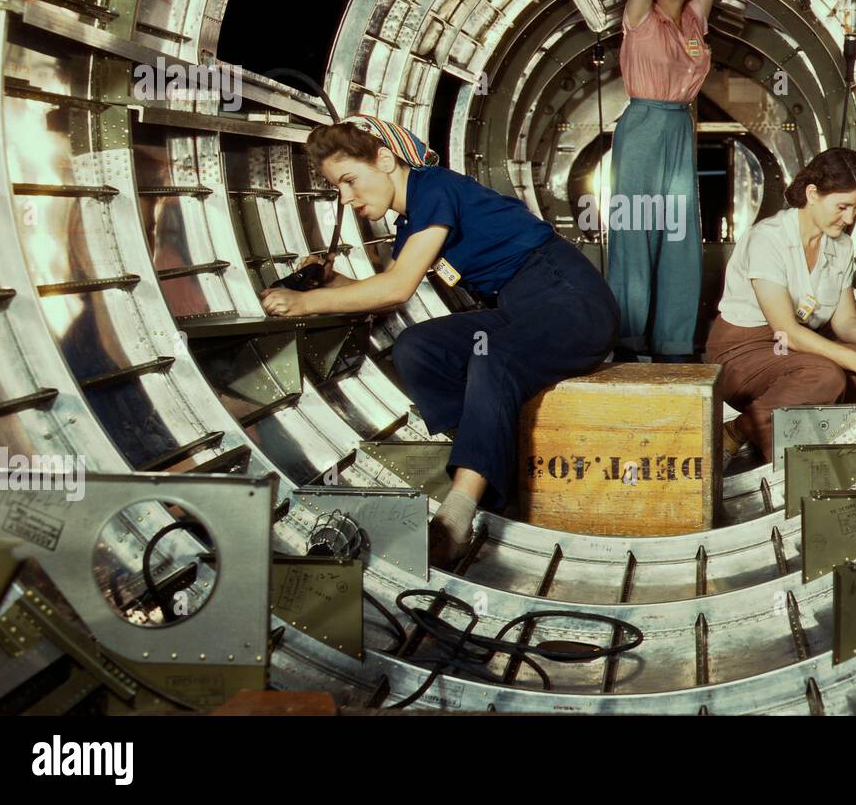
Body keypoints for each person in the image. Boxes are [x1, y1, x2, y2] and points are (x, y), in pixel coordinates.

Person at [260, 115, 619, 567]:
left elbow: (396, 288)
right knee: (417, 347)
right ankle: (484, 457)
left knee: (493, 358)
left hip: (572, 302)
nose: (347, 199)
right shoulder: (413, 224)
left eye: (350, 181)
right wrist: (328, 284)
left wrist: (302, 305)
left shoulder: (433, 188)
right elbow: (387, 291)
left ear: (386, 160)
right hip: (520, 308)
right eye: (339, 189)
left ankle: (457, 516)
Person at [703, 148, 856, 463]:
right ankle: (742, 432)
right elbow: (787, 331)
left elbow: (845, 323)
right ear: (812, 194)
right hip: (743, 352)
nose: (850, 218)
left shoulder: (841, 246)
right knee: (825, 375)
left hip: (793, 352)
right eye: (842, 207)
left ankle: (838, 452)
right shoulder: (767, 239)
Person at [610, 0, 720, 362]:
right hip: (642, 126)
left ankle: (673, 342)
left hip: (678, 126)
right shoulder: (639, 18)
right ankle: (627, 338)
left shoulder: (694, 21)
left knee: (679, 233)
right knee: (634, 229)